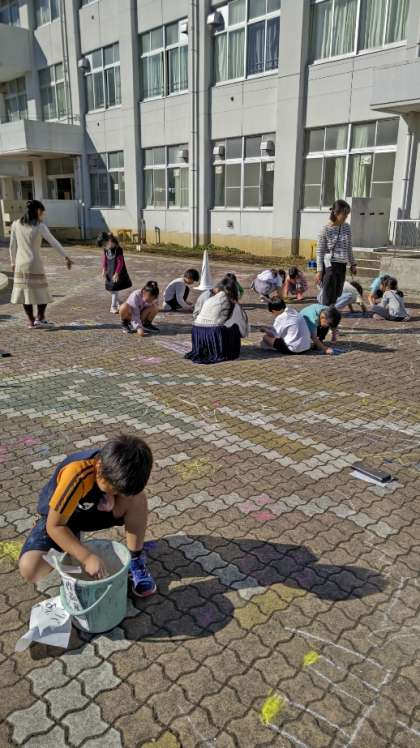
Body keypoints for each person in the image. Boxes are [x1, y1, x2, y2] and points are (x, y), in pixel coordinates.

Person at [18, 434, 156, 598]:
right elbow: (54, 526)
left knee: (137, 499)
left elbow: (124, 491)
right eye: (114, 490)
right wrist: (86, 557)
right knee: (30, 569)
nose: (118, 494)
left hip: (91, 510)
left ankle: (135, 560)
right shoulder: (77, 474)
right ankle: (70, 546)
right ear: (99, 468)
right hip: (61, 519)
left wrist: (112, 496)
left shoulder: (120, 470)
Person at [9, 199, 72, 328]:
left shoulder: (15, 224)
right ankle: (40, 318)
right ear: (38, 211)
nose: (43, 215)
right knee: (42, 292)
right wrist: (65, 256)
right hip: (34, 263)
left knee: (25, 293)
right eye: (42, 212)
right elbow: (53, 241)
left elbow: (12, 246)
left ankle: (31, 321)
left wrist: (12, 262)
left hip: (20, 263)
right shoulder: (39, 226)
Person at [186, 277, 248, 364]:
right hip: (213, 333)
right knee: (234, 327)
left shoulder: (210, 299)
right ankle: (225, 349)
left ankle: (207, 349)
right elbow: (242, 327)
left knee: (227, 323)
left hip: (197, 332)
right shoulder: (232, 304)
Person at [316, 199, 357, 306]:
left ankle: (330, 309)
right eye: (344, 214)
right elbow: (320, 251)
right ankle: (326, 311)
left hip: (342, 265)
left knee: (337, 293)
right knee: (329, 293)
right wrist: (319, 271)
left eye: (347, 214)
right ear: (336, 213)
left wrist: (353, 264)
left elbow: (349, 247)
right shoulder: (325, 229)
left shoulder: (347, 227)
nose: (346, 216)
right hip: (330, 265)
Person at [98, 232, 131, 313]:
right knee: (109, 288)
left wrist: (116, 274)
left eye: (104, 244)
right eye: (103, 246)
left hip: (117, 272)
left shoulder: (118, 249)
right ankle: (119, 302)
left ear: (109, 240)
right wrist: (104, 269)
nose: (104, 247)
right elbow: (105, 259)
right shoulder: (106, 249)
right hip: (110, 271)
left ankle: (113, 307)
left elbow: (120, 262)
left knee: (114, 289)